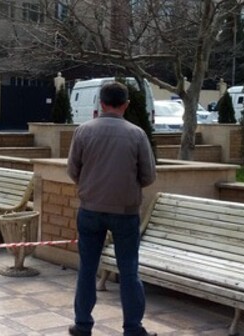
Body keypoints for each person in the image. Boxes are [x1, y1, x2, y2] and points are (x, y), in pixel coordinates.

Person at [66, 82, 157, 336]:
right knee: (129, 270)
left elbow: (73, 170)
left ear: (101, 103)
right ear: (126, 105)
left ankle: (82, 324)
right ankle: (133, 328)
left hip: (90, 209)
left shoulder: (83, 131)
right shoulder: (137, 134)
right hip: (126, 212)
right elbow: (148, 176)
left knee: (87, 268)